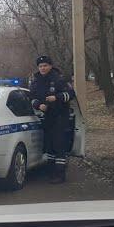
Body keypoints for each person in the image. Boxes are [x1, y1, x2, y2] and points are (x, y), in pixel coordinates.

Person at [29, 55, 75, 184]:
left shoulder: (59, 78)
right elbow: (31, 97)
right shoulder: (36, 81)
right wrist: (38, 105)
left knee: (59, 144)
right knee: (49, 145)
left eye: (45, 66)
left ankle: (60, 174)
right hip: (46, 116)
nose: (43, 68)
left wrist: (57, 97)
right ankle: (51, 172)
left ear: (50, 66)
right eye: (40, 66)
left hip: (60, 115)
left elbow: (71, 94)